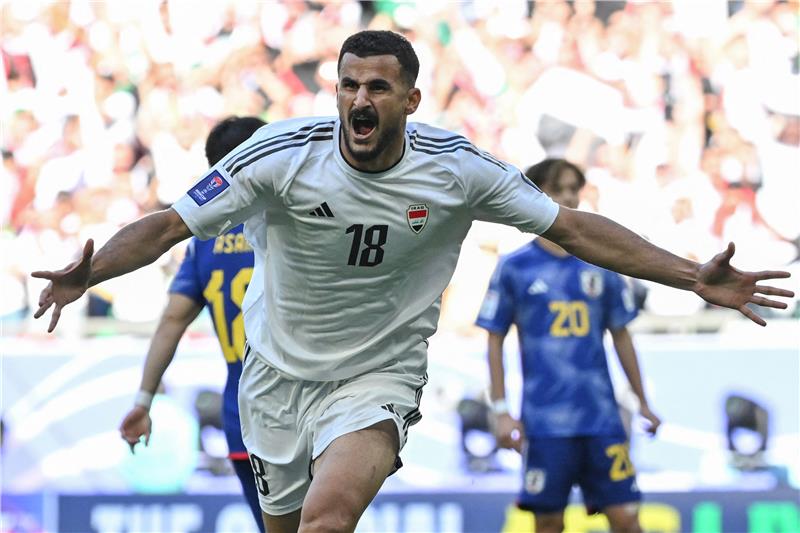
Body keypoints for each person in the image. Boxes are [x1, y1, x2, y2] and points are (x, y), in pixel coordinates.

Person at [32, 30, 793, 533]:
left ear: (410, 100)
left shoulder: (456, 168)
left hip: (377, 376)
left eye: (378, 87)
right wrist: (88, 273)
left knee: (329, 522)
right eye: (349, 86)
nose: (360, 101)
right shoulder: (280, 154)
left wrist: (692, 275)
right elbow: (167, 225)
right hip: (274, 381)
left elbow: (573, 228)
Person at [475, 158, 660, 533]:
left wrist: (643, 401)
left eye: (574, 189)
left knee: (627, 518)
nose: (569, 197)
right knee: (548, 523)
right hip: (545, 425)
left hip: (602, 419)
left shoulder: (601, 263)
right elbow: (494, 339)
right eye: (558, 189)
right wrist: (501, 410)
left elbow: (621, 335)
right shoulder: (515, 267)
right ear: (535, 194)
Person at [117, 115, 267, 530]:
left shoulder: (206, 240)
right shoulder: (293, 225)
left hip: (241, 414)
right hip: (301, 410)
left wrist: (144, 400)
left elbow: (172, 321)